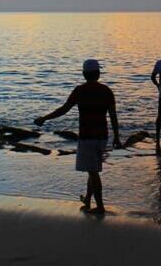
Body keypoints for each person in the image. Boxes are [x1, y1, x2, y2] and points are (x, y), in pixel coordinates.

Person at [35, 59, 122, 214]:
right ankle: (88, 200)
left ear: (83, 74)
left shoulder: (79, 90)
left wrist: (45, 118)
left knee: (93, 172)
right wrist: (117, 136)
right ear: (98, 73)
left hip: (87, 136)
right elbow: (113, 115)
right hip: (103, 136)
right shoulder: (106, 90)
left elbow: (64, 109)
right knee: (92, 168)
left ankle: (100, 207)